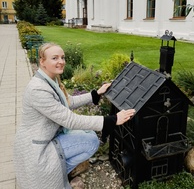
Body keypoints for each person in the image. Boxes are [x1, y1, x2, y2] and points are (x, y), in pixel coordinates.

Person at [14, 42, 135, 189]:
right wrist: (113, 120)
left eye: (63, 57)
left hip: (47, 137)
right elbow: (70, 120)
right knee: (91, 141)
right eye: (55, 58)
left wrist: (95, 94)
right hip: (37, 147)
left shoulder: (49, 79)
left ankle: (58, 170)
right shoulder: (38, 90)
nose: (61, 61)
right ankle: (55, 172)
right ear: (42, 61)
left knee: (89, 136)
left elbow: (67, 101)